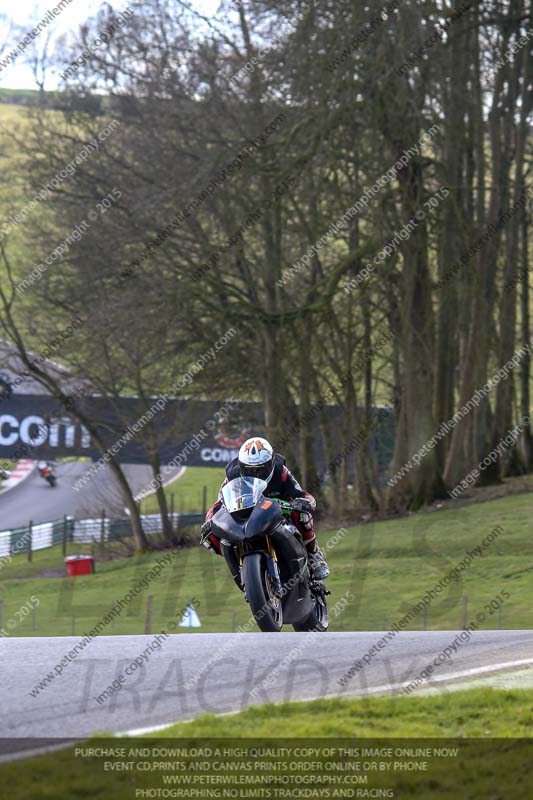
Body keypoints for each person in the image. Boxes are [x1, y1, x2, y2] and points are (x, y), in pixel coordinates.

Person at [200, 436, 329, 580]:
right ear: (242, 467)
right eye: (250, 471)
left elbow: (300, 493)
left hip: (280, 509)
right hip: (249, 514)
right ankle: (239, 564)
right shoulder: (233, 475)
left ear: (272, 464)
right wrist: (210, 520)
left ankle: (314, 555)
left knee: (303, 516)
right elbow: (220, 503)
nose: (257, 475)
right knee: (211, 536)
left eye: (262, 470)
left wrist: (306, 502)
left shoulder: (281, 471)